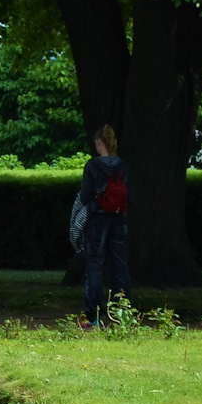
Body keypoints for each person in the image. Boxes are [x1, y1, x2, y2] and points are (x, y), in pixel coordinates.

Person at [78, 124, 133, 327]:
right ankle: (123, 314)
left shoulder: (92, 166)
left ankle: (92, 317)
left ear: (99, 143)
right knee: (120, 267)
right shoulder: (124, 166)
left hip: (96, 222)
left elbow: (84, 196)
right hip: (119, 221)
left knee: (94, 267)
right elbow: (131, 197)